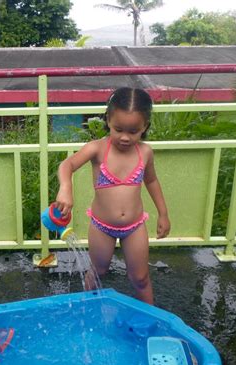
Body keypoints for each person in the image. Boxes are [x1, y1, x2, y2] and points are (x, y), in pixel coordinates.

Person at [55, 87, 170, 304]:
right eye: (118, 129)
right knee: (98, 270)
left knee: (141, 277)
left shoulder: (145, 152)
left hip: (135, 226)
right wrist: (65, 188)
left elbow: (152, 181)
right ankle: (88, 310)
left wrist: (163, 213)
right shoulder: (97, 149)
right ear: (108, 120)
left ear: (144, 126)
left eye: (134, 131)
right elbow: (67, 164)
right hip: (101, 227)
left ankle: (150, 320)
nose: (125, 137)